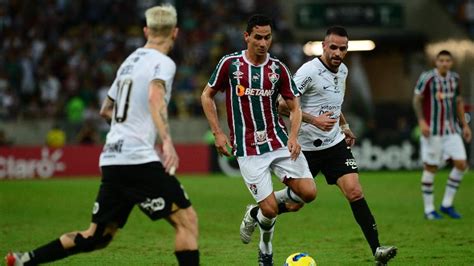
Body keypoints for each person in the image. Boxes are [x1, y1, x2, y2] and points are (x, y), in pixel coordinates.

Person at [5, 4, 199, 266]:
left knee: (97, 236)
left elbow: (105, 109)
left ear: (146, 31)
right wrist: (166, 140)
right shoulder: (163, 63)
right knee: (187, 222)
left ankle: (25, 260)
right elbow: (155, 96)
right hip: (138, 160)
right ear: (175, 32)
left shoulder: (128, 63)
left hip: (112, 159)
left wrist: (126, 125)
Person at [201, 14, 316, 266]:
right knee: (272, 210)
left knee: (308, 194)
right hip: (248, 148)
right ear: (247, 37)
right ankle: (266, 251)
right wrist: (218, 132)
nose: (263, 43)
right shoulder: (230, 64)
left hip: (278, 141)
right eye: (258, 37)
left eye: (267, 37)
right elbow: (207, 95)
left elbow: (295, 107)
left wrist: (294, 136)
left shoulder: (278, 69)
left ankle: (254, 211)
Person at [278, 26, 397, 265]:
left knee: (355, 190)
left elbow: (334, 104)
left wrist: (343, 126)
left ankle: (377, 250)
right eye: (333, 47)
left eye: (343, 48)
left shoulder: (343, 70)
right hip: (306, 148)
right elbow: (282, 105)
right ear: (323, 46)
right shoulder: (308, 72)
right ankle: (260, 209)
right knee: (296, 204)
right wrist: (314, 120)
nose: (338, 53)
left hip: (334, 144)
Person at [413, 50, 471, 220]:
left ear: (451, 63)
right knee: (431, 167)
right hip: (432, 131)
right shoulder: (428, 78)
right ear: (436, 62)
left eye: (447, 60)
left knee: (461, 164)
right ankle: (429, 209)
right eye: (441, 60)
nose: (444, 63)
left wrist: (465, 125)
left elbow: (459, 102)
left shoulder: (455, 79)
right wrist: (422, 122)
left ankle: (446, 204)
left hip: (452, 130)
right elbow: (416, 100)